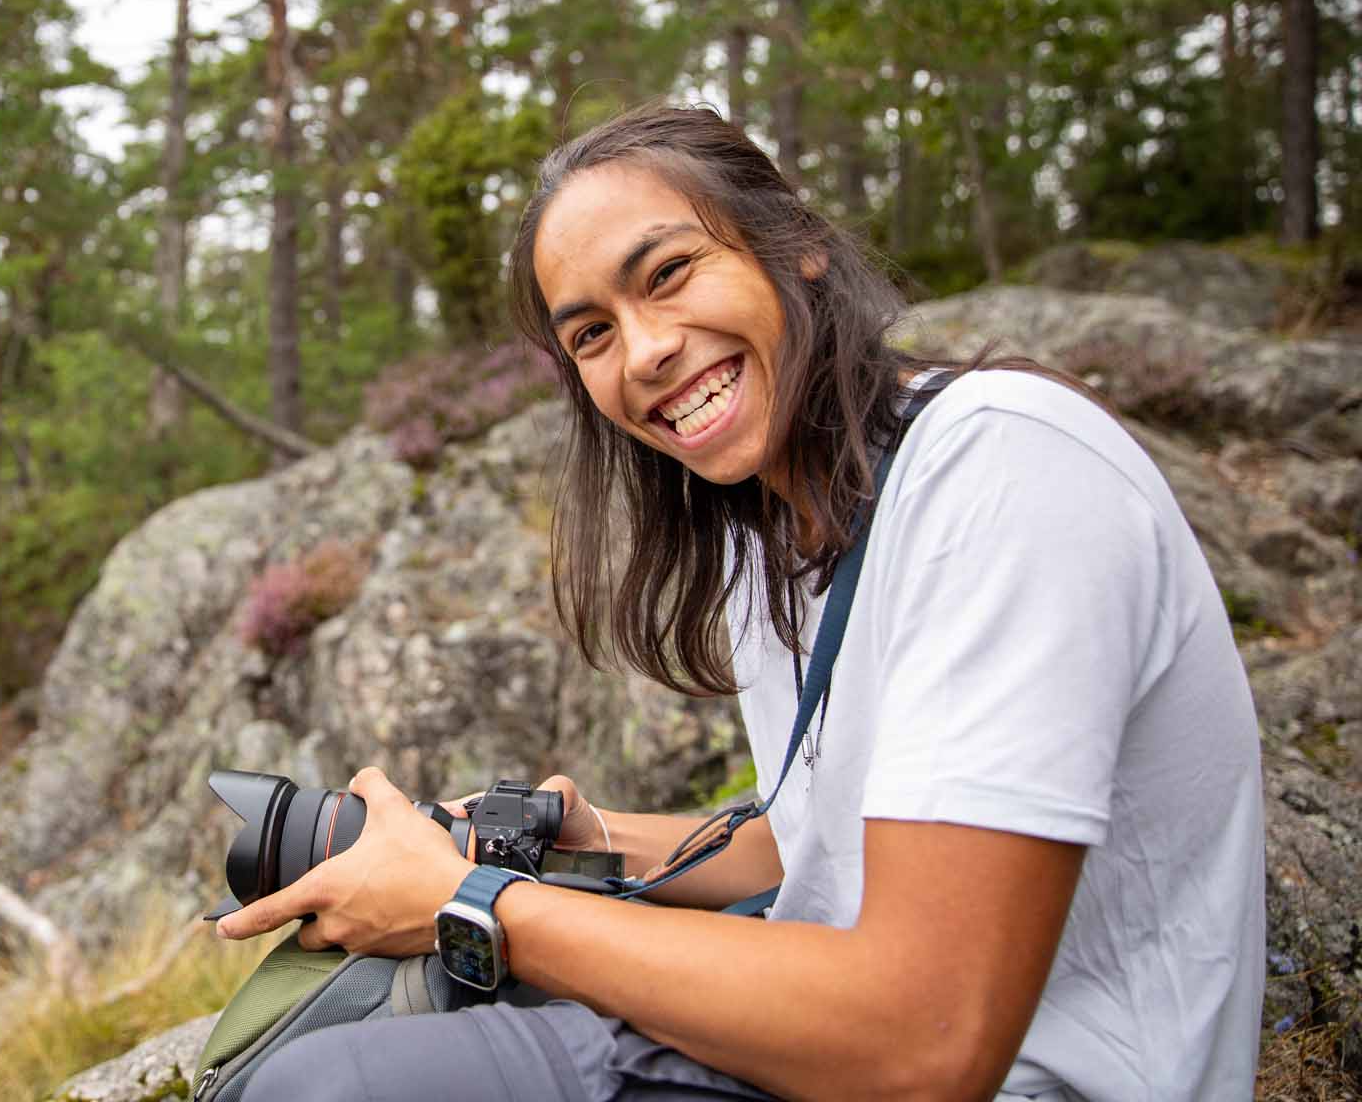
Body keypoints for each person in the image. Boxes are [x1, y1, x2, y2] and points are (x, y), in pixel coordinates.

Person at [216, 105, 1265, 1101]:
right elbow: (839, 838)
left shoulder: (1004, 464)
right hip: (836, 1029)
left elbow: (929, 1042)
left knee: (330, 1086)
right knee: (359, 1027)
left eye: (669, 273)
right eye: (590, 334)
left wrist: (469, 901)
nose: (645, 350)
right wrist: (594, 844)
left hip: (1013, 1073)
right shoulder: (775, 544)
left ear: (794, 245)